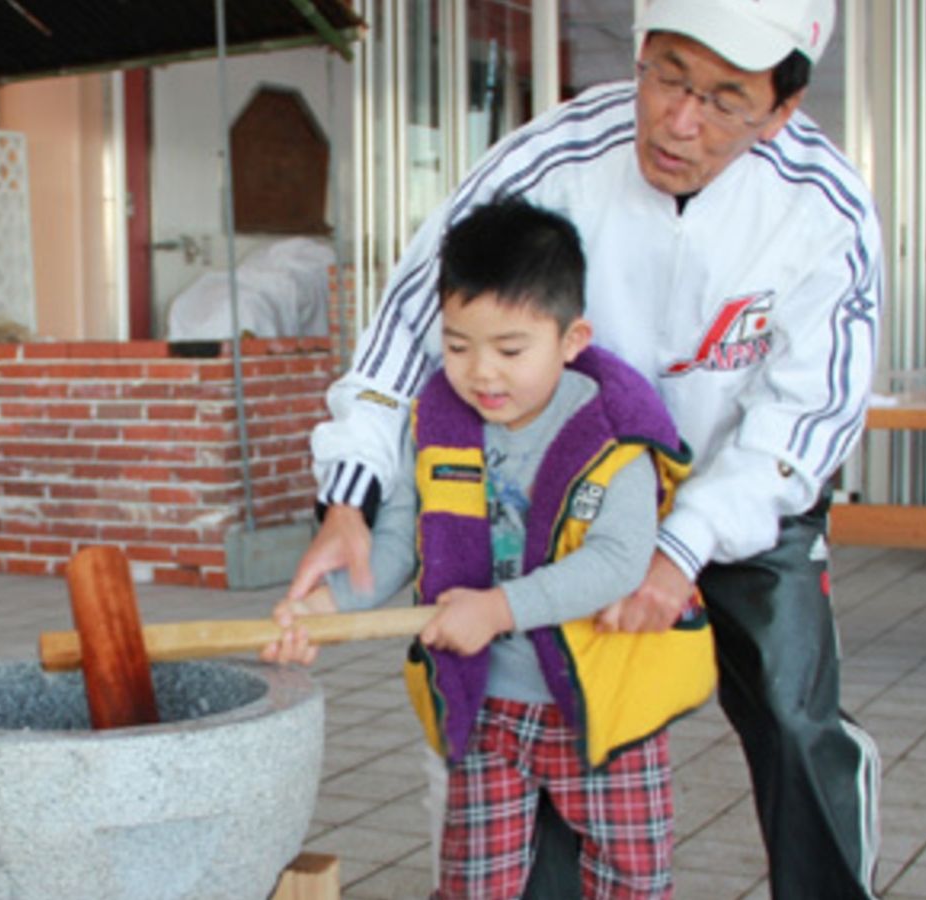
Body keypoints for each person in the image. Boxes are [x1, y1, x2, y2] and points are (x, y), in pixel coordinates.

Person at [287, 0, 883, 897]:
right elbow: (415, 318)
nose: (681, 121)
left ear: (782, 108)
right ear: (640, 51)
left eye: (724, 100)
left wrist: (684, 546)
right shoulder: (554, 155)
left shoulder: (822, 209)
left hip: (737, 491)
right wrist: (349, 496)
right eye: (669, 76)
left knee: (795, 723)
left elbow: (808, 417)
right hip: (565, 496)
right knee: (561, 715)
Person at [265, 196, 716, 898]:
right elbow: (396, 547)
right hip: (485, 706)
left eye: (510, 350)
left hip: (604, 701)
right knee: (475, 884)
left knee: (632, 876)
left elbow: (617, 562)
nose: (482, 373)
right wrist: (326, 605)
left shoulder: (614, 433)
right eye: (456, 345)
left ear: (572, 339)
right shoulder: (438, 423)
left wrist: (499, 609)